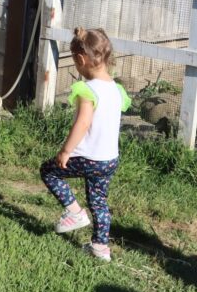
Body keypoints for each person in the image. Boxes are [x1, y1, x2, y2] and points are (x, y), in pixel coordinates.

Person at [39, 27, 130, 262]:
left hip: (87, 157)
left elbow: (83, 122)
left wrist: (66, 150)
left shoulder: (86, 89)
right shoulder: (116, 89)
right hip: (109, 159)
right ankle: (100, 247)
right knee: (98, 201)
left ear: (81, 59)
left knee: (49, 172)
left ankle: (74, 212)